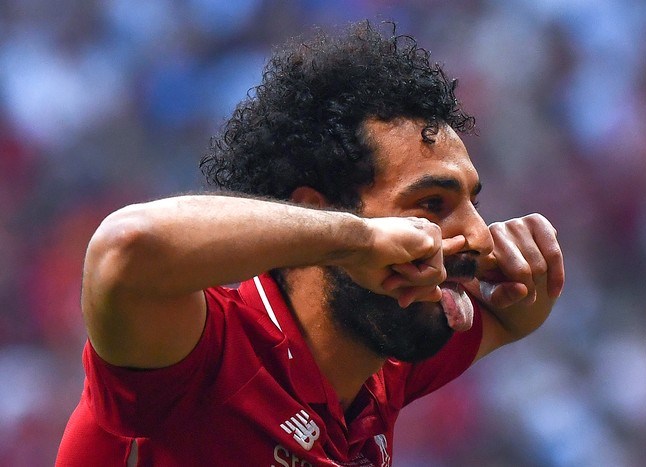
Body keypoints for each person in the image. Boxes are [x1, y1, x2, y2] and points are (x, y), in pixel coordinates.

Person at [56, 21, 564, 466]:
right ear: (317, 211)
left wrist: (530, 275)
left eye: (473, 205)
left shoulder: (379, 364)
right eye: (431, 205)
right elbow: (126, 246)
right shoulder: (198, 355)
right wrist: (355, 240)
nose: (476, 233)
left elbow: (508, 314)